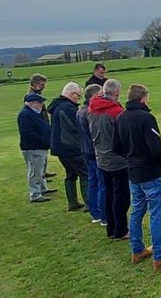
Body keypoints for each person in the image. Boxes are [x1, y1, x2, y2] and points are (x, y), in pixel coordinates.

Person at [113, 84, 161, 270]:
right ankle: (160, 256)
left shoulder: (120, 117)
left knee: (137, 211)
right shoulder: (146, 118)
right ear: (143, 98)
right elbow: (155, 147)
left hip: (133, 172)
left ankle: (137, 250)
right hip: (149, 172)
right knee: (156, 214)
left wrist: (131, 158)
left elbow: (116, 147)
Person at [90, 79, 130, 240]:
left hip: (101, 157)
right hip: (117, 159)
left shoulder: (91, 109)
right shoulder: (115, 112)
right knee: (121, 196)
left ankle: (111, 228)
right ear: (117, 93)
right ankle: (120, 230)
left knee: (108, 193)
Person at [48, 82, 88, 212]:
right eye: (78, 96)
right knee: (85, 174)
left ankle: (73, 202)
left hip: (59, 147)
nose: (78, 99)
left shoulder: (57, 106)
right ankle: (89, 203)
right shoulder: (68, 108)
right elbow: (77, 126)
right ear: (71, 94)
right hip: (71, 147)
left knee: (70, 174)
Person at [17, 91, 52, 203]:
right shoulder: (25, 115)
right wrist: (43, 140)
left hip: (40, 147)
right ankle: (35, 194)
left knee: (40, 169)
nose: (41, 105)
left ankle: (42, 188)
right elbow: (28, 133)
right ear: (31, 103)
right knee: (35, 171)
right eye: (39, 102)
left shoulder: (34, 113)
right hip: (33, 148)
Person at [80, 84, 107, 225]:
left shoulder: (81, 111)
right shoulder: (89, 112)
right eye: (100, 94)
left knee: (93, 182)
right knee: (101, 183)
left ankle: (95, 214)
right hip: (94, 151)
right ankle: (103, 216)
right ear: (93, 96)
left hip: (86, 150)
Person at [30, 73, 55, 180]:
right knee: (40, 153)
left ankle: (43, 172)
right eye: (42, 85)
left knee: (44, 152)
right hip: (39, 127)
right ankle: (41, 175)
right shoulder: (31, 96)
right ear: (35, 84)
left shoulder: (37, 94)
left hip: (43, 125)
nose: (43, 87)